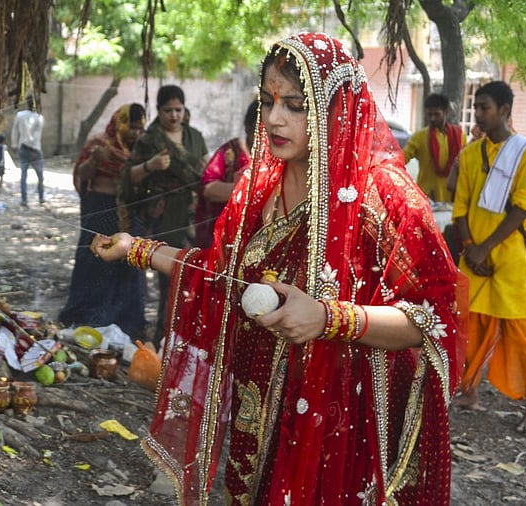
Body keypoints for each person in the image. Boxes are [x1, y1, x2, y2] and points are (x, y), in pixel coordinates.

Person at [93, 32, 466, 504]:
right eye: (269, 101)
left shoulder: (382, 195)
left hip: (343, 428)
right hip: (261, 413)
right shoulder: (257, 188)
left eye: (295, 104)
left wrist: (330, 318)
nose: (273, 119)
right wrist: (136, 249)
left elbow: (432, 319)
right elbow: (218, 276)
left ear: (335, 109)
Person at [451, 80, 526, 432]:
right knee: (467, 328)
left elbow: (522, 210)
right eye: (476, 107)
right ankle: (469, 391)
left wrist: (484, 248)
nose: (478, 114)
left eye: (484, 107)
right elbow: (460, 207)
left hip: (507, 260)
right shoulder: (471, 154)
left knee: (520, 333)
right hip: (473, 256)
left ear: (505, 110)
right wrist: (470, 248)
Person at [116, 85, 209, 348]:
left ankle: (190, 339)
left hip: (192, 217)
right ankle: (163, 337)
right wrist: (151, 165)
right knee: (169, 278)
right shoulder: (150, 139)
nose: (174, 115)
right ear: (158, 110)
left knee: (195, 274)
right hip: (164, 217)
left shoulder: (194, 136)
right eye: (168, 110)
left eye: (178, 109)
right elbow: (127, 177)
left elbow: (206, 171)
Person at [58, 103, 148, 338]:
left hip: (129, 214)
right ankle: (90, 317)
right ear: (120, 123)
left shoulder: (141, 150)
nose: (136, 133)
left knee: (130, 262)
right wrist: (95, 161)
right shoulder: (99, 145)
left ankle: (126, 322)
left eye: (141, 128)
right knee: (96, 261)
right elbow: (82, 174)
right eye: (132, 127)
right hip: (101, 210)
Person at [194, 99, 258, 248]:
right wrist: (243, 189)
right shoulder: (231, 152)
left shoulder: (281, 158)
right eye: (259, 130)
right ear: (248, 128)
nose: (265, 137)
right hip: (226, 239)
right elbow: (207, 188)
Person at [403, 93, 467, 202]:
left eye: (436, 114)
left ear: (446, 112)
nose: (432, 118)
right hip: (426, 198)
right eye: (429, 114)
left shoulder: (460, 136)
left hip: (453, 198)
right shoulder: (419, 137)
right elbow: (402, 159)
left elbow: (465, 165)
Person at [11, 96, 45, 206]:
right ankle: (41, 197)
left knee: (24, 175)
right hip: (36, 149)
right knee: (40, 176)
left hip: (24, 148)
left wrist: (14, 144)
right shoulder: (40, 117)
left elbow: (15, 131)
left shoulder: (20, 115)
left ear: (27, 103)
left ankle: (24, 199)